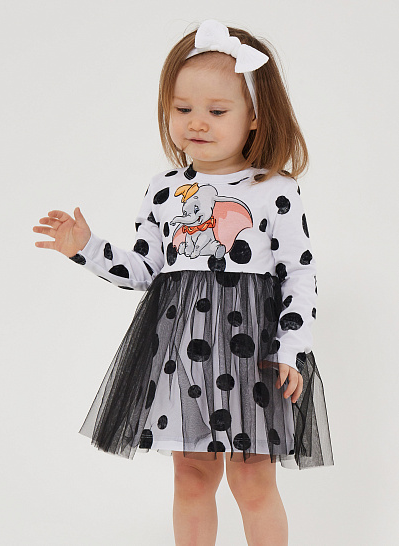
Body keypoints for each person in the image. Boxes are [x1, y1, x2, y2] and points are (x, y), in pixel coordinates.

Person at [33, 19, 333, 546]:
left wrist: (292, 349)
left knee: (252, 480)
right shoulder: (164, 189)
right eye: (182, 108)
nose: (197, 122)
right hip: (183, 355)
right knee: (191, 476)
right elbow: (144, 270)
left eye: (217, 111)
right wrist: (86, 247)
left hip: (252, 355)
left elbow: (299, 273)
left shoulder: (274, 189)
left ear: (255, 118)